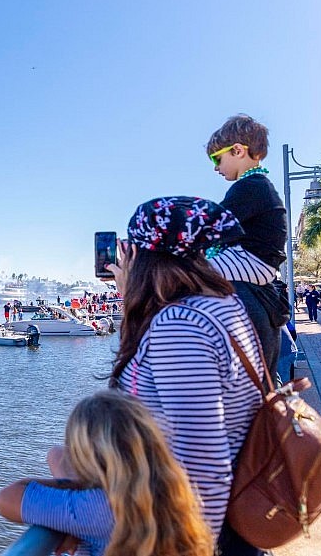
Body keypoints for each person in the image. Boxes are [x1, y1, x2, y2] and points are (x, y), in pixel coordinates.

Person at [108, 196, 265, 554]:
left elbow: (204, 465)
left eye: (129, 248)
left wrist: (192, 546)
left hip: (201, 531)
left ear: (146, 256)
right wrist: (131, 300)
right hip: (231, 514)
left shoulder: (179, 325)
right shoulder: (219, 303)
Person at [0, 390, 213, 556]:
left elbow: (6, 498)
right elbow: (56, 454)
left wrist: (75, 488)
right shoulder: (173, 491)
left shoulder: (98, 507)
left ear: (86, 459)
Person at [206, 114, 289, 381]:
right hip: (257, 264)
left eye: (217, 159)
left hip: (250, 260)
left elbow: (211, 226)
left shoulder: (249, 186)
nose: (216, 168)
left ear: (238, 151)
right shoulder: (260, 186)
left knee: (186, 270)